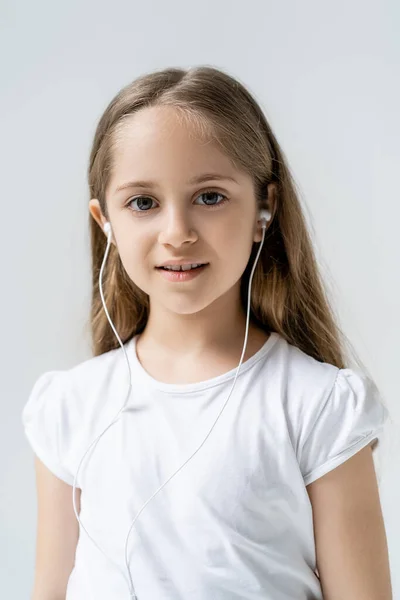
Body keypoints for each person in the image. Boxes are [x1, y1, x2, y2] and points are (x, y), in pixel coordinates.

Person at [22, 65, 392, 600]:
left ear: (265, 210)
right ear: (106, 222)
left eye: (210, 196)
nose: (177, 233)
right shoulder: (70, 408)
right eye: (143, 203)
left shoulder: (318, 406)